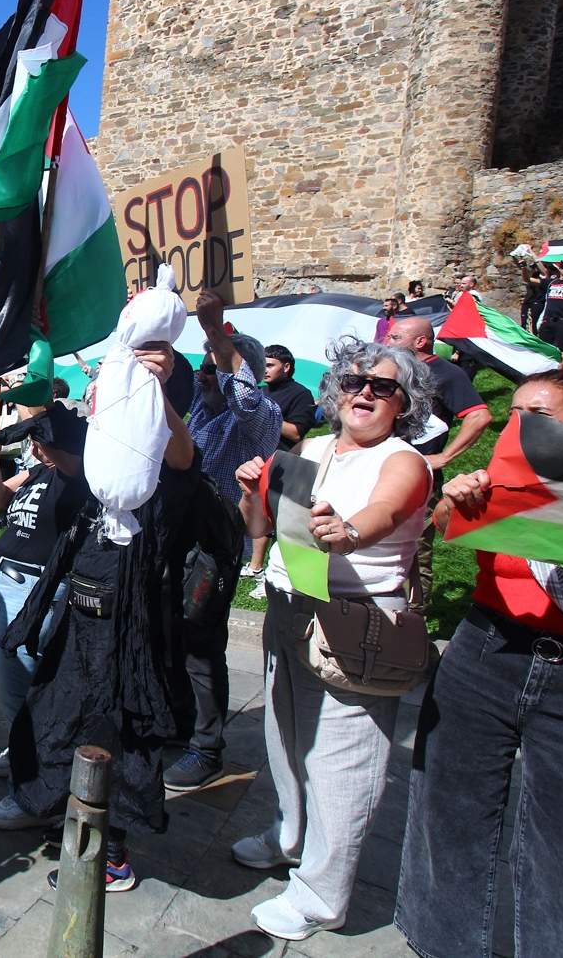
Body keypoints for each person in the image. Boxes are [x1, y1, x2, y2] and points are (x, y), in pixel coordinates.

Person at [396, 367, 563, 958]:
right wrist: (455, 503)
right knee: (451, 813)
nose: (519, 427)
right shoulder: (505, 481)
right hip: (485, 655)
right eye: (513, 414)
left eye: (538, 415)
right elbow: (446, 530)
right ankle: (445, 945)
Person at [232, 337, 433, 941]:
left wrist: (348, 533)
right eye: (353, 382)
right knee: (286, 737)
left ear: (405, 402)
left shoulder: (404, 459)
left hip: (357, 622)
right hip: (292, 608)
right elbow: (262, 527)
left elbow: (387, 513)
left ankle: (322, 896)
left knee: (344, 763)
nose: (365, 393)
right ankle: (291, 835)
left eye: (383, 386)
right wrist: (251, 494)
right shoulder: (312, 450)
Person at [3, 332, 205, 890]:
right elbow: (61, 444)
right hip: (83, 615)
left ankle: (110, 852)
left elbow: (185, 455)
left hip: (130, 626)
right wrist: (39, 346)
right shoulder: (107, 460)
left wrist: (156, 387)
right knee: (55, 709)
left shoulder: (163, 466)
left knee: (119, 733)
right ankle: (47, 804)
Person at [165, 290, 281, 790]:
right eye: (204, 369)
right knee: (170, 632)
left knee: (201, 641)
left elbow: (247, 395)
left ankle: (206, 746)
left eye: (214, 369)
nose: (205, 376)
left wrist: (216, 333)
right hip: (178, 534)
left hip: (216, 542)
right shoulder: (202, 414)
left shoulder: (260, 416)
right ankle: (175, 720)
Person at [0, 403, 89, 828]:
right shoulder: (39, 473)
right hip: (8, 583)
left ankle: (36, 794)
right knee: (14, 686)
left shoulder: (81, 475)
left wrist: (37, 432)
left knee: (29, 686)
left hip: (37, 589)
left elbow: (56, 437)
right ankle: (22, 749)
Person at [382, 315, 492, 612]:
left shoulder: (446, 373)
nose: (385, 341)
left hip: (418, 479)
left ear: (420, 341)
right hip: (380, 470)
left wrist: (444, 457)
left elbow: (479, 416)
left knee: (413, 550)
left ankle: (412, 619)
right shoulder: (391, 371)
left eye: (394, 338)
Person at [244, 345, 319, 579]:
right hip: (256, 460)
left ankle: (284, 573)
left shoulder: (300, 394)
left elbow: (297, 432)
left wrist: (265, 414)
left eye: (270, 365)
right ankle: (255, 566)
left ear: (286, 367)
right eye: (262, 365)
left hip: (284, 462)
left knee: (282, 521)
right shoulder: (262, 391)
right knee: (259, 514)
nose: (264, 370)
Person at [536, 258, 563, 351]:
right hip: (548, 320)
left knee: (562, 348)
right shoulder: (551, 282)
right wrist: (523, 267)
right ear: (559, 268)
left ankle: (561, 366)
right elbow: (528, 279)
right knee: (544, 347)